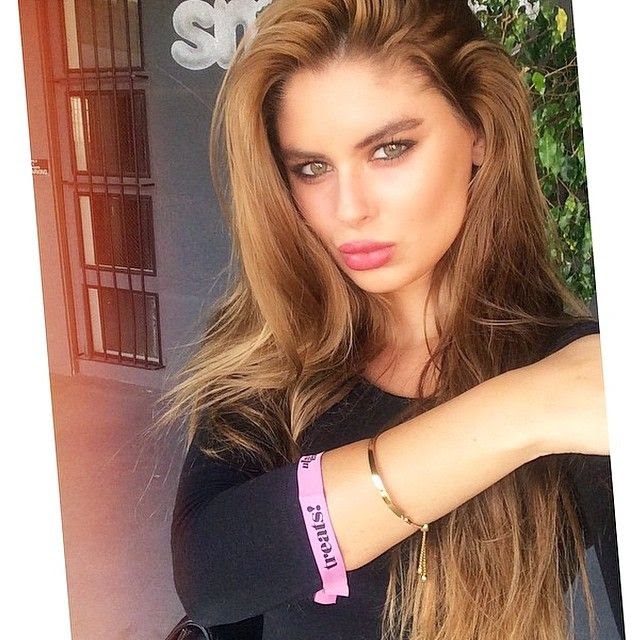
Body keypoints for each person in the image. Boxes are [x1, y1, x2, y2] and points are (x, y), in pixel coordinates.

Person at [163, 0, 624, 638]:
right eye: (312, 168)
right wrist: (522, 412)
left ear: (480, 131)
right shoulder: (271, 346)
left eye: (389, 149)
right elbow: (213, 575)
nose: (348, 209)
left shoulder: (582, 373)